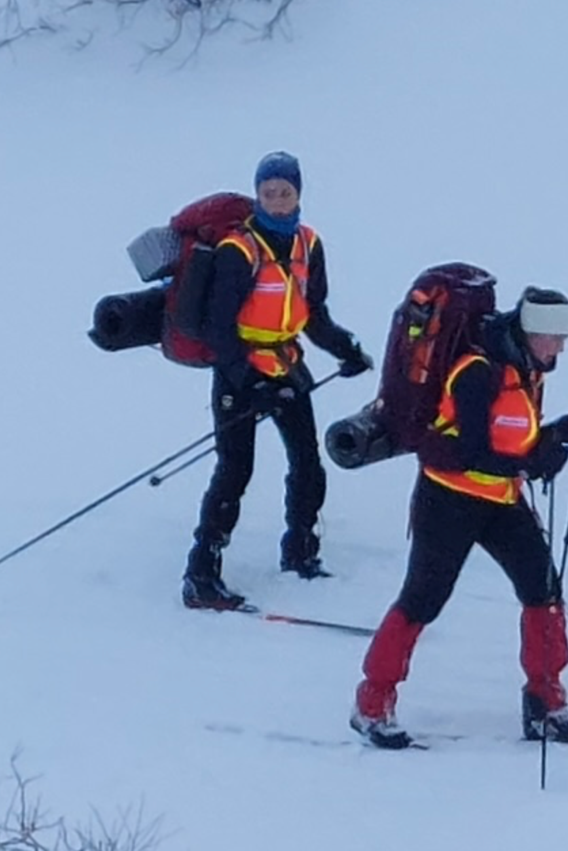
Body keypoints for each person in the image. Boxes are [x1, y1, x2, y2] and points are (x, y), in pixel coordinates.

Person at [350, 284, 568, 749]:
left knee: (543, 588)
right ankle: (372, 702)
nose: (561, 346)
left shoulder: (526, 368)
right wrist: (530, 464)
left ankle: (545, 702)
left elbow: (511, 441)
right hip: (448, 499)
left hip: (501, 498)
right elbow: (468, 453)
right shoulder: (478, 372)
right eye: (556, 336)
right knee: (424, 598)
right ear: (532, 332)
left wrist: (566, 430)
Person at [181, 151, 374, 611]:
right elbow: (217, 328)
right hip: (238, 372)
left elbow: (314, 315)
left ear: (298, 194)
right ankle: (201, 573)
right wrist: (247, 376)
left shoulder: (309, 244)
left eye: (285, 192)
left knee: (307, 462)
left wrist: (345, 348)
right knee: (235, 469)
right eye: (269, 193)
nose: (278, 200)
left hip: (286, 365)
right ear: (258, 195)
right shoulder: (238, 250)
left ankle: (301, 550)